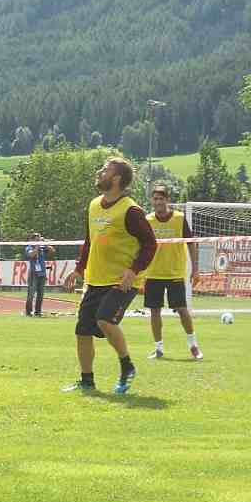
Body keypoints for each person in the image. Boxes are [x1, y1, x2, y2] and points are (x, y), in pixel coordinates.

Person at [64, 157, 157, 394]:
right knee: (82, 331)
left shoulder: (131, 211)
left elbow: (150, 244)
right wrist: (78, 269)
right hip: (94, 279)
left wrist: (132, 270)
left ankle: (127, 366)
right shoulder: (94, 205)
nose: (99, 172)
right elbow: (89, 242)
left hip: (121, 282)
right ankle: (87, 381)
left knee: (104, 319)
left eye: (105, 170)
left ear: (116, 179)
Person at [144, 184, 203, 360]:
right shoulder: (147, 220)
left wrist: (195, 269)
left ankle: (193, 346)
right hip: (153, 273)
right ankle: (158, 348)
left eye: (161, 198)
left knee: (182, 310)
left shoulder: (179, 218)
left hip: (174, 273)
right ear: (152, 201)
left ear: (167, 200)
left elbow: (191, 243)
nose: (158, 202)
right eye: (155, 198)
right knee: (154, 311)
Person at [25, 232, 55, 317]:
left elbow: (52, 250)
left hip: (42, 273)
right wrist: (37, 246)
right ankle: (28, 312)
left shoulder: (42, 248)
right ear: (32, 240)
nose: (38, 240)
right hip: (33, 273)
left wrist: (45, 244)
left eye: (38, 239)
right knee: (31, 293)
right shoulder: (28, 247)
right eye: (36, 239)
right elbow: (31, 254)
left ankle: (38, 311)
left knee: (41, 294)